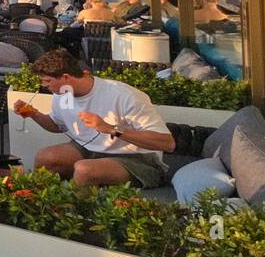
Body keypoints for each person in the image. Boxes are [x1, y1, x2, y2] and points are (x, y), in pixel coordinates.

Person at [14, 49, 173, 189]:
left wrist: (112, 129)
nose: (44, 86)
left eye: (47, 81)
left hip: (138, 158)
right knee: (45, 157)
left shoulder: (124, 95)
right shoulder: (63, 94)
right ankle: (37, 206)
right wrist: (34, 114)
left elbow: (167, 143)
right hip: (89, 149)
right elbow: (57, 126)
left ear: (65, 77)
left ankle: (73, 216)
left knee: (84, 170)